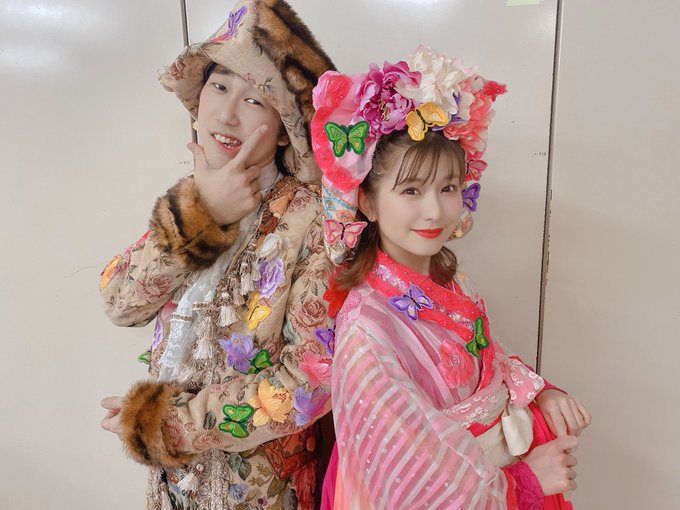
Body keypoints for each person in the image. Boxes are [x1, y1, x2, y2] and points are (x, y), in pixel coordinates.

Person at [311, 47, 591, 509]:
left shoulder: (452, 278)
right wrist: (521, 483)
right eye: (411, 190)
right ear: (368, 202)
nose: (435, 211)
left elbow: (489, 361)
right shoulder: (366, 329)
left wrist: (539, 394)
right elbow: (408, 477)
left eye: (448, 187)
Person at [98, 1, 337, 508]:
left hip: (264, 493)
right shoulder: (190, 197)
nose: (226, 114)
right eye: (220, 86)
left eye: (255, 99)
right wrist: (202, 212)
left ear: (284, 124)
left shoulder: (312, 220)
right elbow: (120, 301)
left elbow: (311, 381)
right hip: (173, 488)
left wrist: (171, 426)